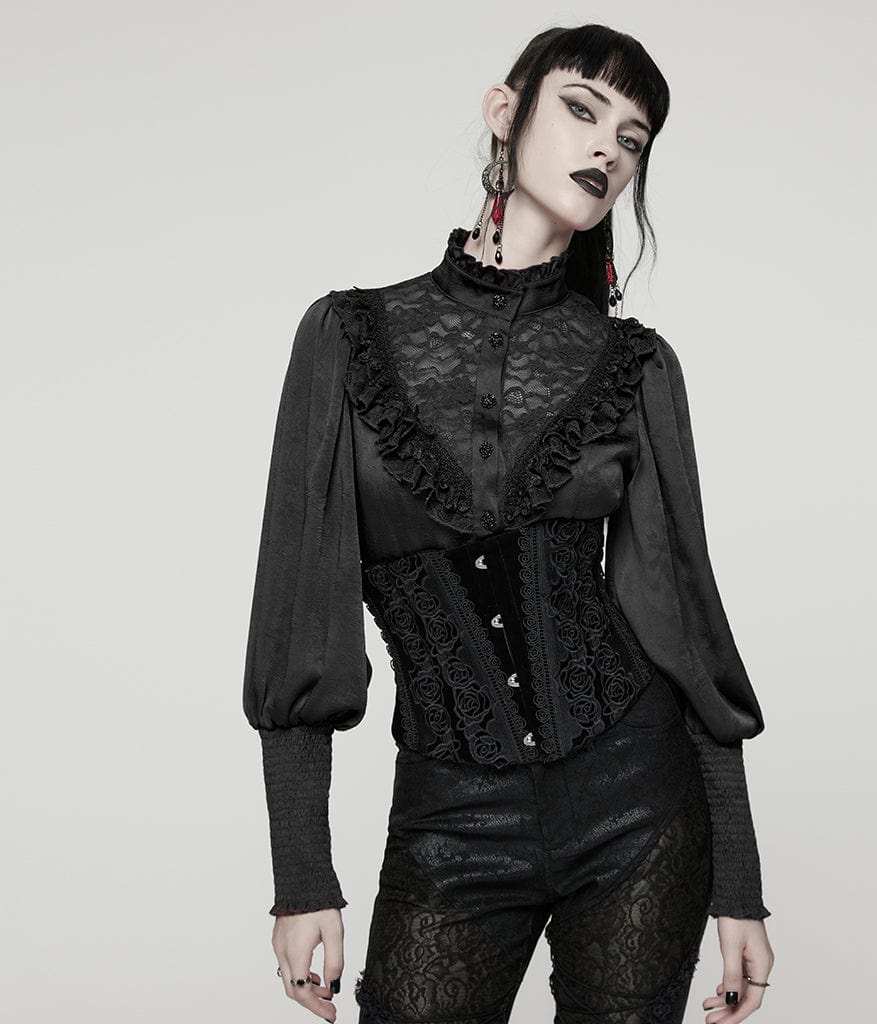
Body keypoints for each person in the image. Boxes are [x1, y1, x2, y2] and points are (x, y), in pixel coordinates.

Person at [242, 23, 775, 1024]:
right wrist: (301, 871)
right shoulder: (346, 338)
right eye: (581, 109)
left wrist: (739, 883)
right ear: (504, 112)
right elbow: (300, 611)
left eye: (633, 138)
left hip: (640, 811)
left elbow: (684, 623)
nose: (608, 147)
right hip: (450, 818)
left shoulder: (635, 367)